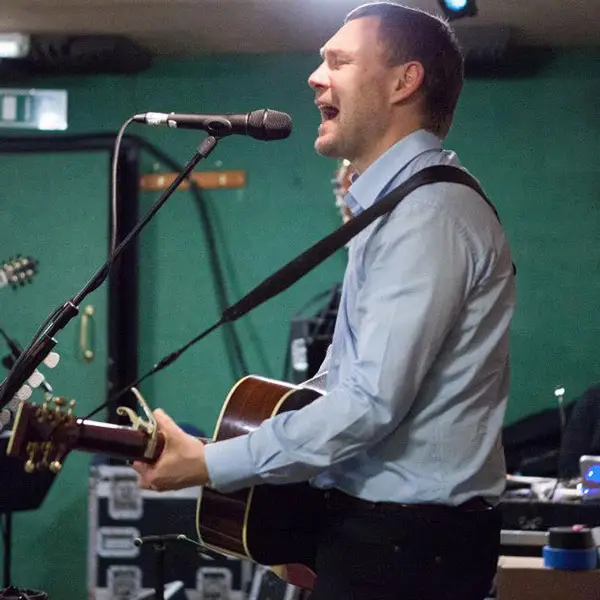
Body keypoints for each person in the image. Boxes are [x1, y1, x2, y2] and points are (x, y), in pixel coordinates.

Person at [133, 3, 516, 599]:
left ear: (404, 82)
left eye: (338, 61)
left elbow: (368, 406)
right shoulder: (401, 206)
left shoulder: (427, 216)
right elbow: (343, 387)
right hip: (387, 537)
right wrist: (277, 487)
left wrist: (213, 464)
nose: (315, 77)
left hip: (406, 546)